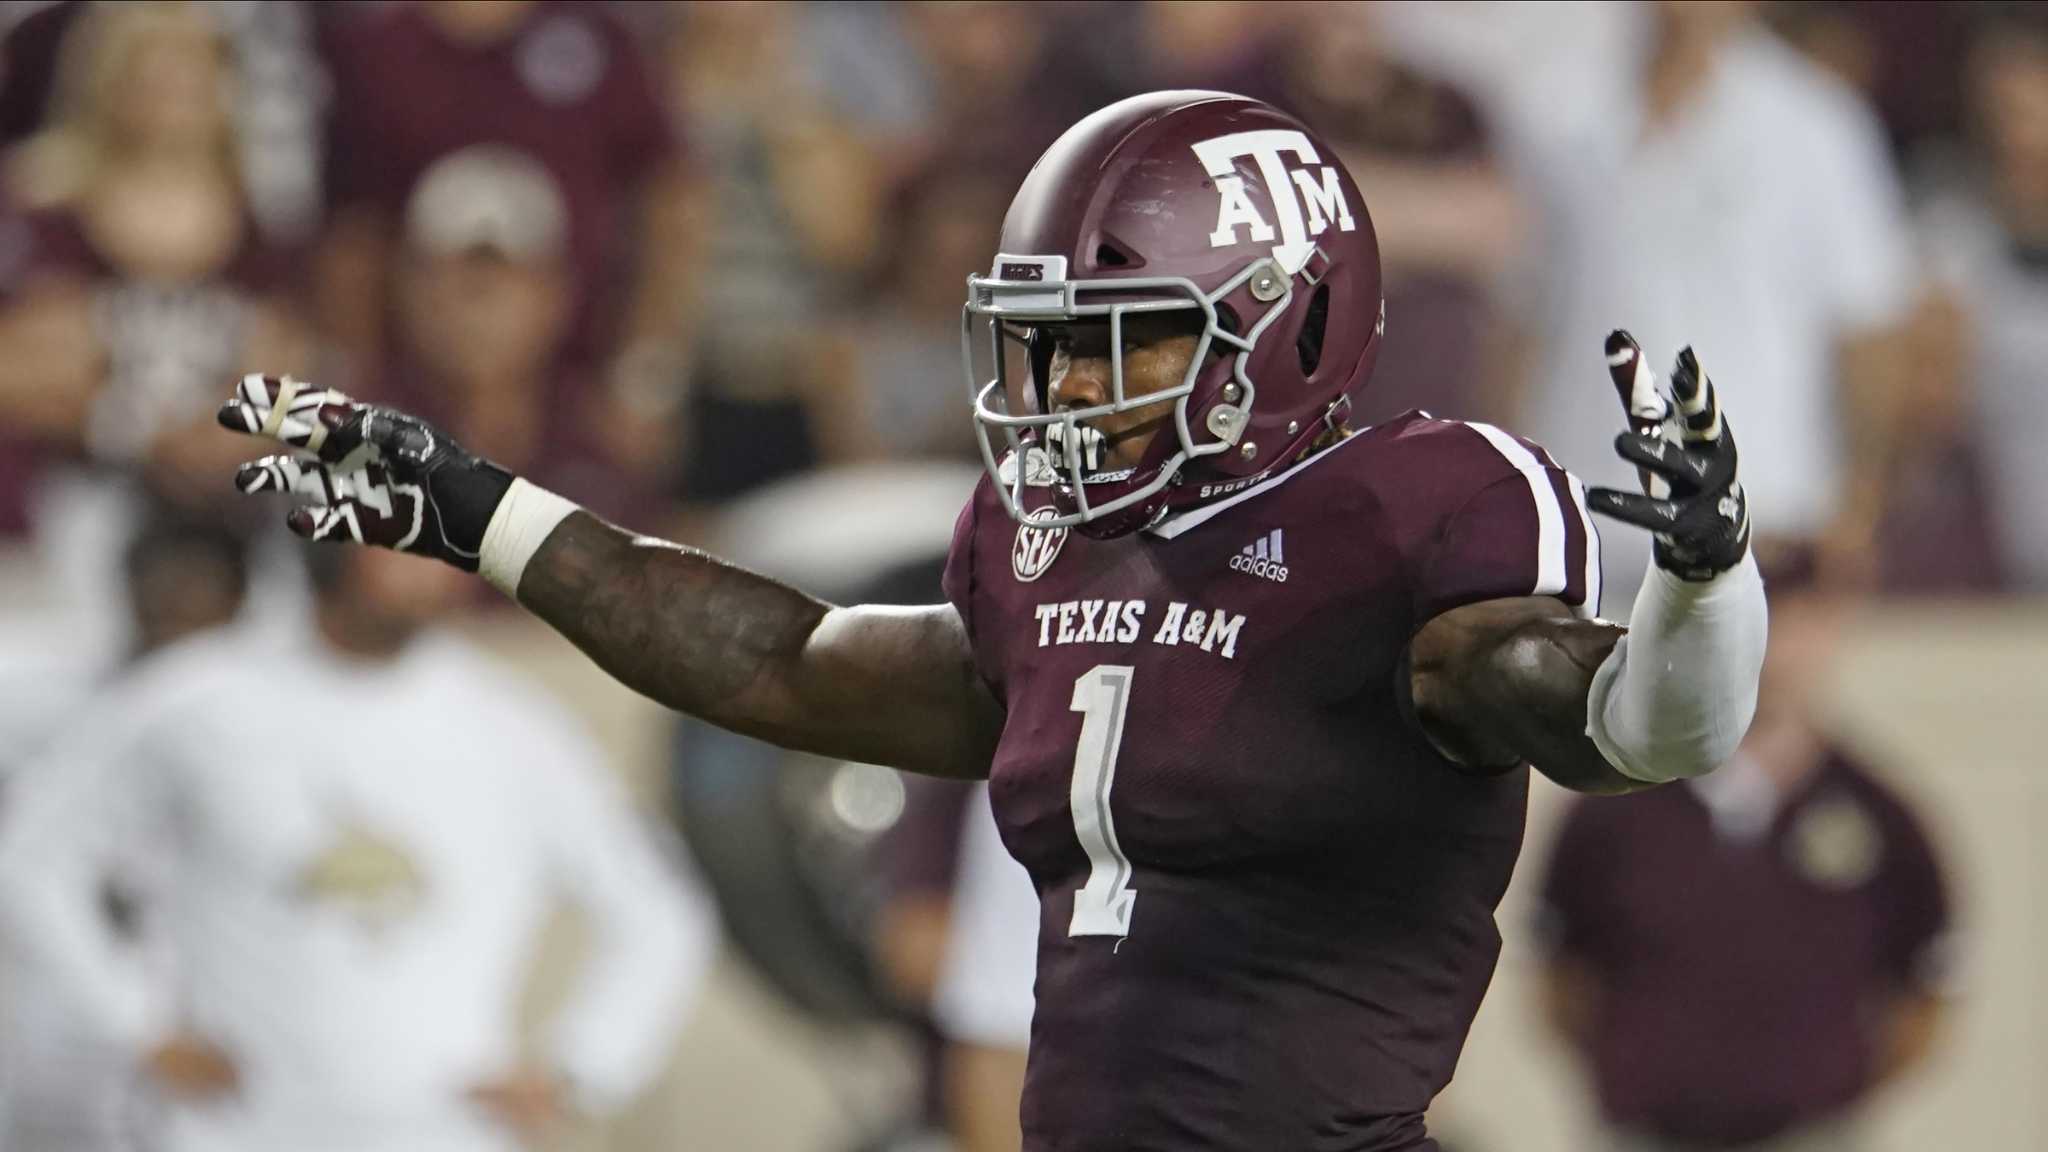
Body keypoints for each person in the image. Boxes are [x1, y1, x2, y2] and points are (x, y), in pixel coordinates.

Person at [216, 91, 1770, 1151]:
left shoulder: (1403, 519)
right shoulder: (1048, 552)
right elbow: (785, 659)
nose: (1065, 393)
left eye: (1123, 343)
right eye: (1047, 347)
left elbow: (1631, 724)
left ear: (1290, 318)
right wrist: (481, 511)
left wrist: (1705, 574)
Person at [0, 544, 712, 1152]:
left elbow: (654, 908)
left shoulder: (512, 730)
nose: (426, 570)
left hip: (439, 1132)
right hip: (232, 1130)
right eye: (396, 542)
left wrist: (583, 1067)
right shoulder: (200, 700)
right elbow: (34, 855)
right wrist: (137, 1024)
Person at [1535, 547, 1953, 1151]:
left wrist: (1829, 1088)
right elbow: (1561, 978)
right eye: (1753, 616)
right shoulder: (1613, 807)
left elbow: (1924, 992)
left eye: (1794, 617)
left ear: (1830, 628)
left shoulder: (1883, 818)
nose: (1773, 646)